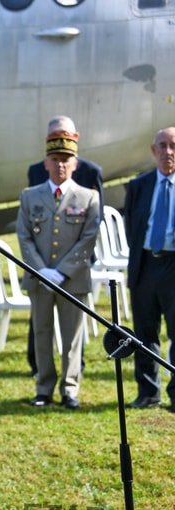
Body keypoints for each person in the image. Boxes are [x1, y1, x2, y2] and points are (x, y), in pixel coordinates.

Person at [16, 131, 100, 410]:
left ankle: (70, 388)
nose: (61, 164)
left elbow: (88, 239)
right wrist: (42, 271)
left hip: (73, 279)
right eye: (55, 159)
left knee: (72, 336)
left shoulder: (88, 197)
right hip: (40, 280)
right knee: (42, 334)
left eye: (66, 159)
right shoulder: (30, 197)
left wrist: (62, 272)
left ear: (75, 164)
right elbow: (24, 237)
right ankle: (44, 387)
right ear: (46, 163)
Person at [124, 127, 175, 410]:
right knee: (145, 333)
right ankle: (148, 392)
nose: (168, 152)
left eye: (173, 146)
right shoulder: (138, 186)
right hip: (145, 265)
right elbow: (133, 226)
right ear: (153, 150)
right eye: (162, 146)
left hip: (174, 265)